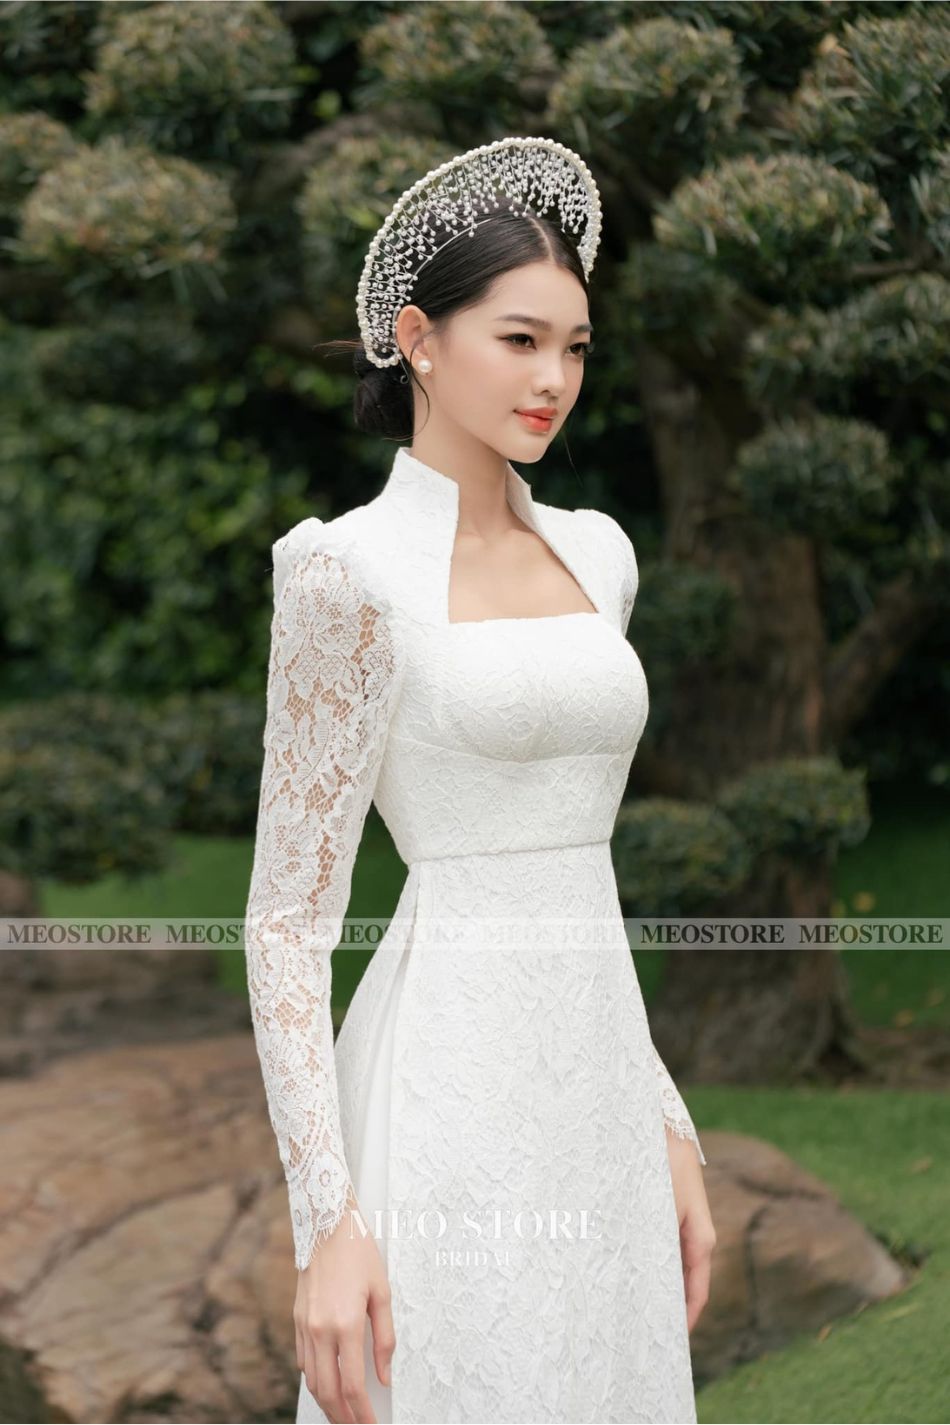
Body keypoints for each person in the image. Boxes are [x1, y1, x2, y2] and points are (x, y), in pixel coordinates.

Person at [244, 136, 716, 1425]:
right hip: (445, 1080)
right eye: (519, 340)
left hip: (599, 1079)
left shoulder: (600, 554)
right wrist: (327, 1224)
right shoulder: (345, 574)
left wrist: (663, 1115)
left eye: (575, 348)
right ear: (417, 340)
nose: (553, 379)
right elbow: (286, 921)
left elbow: (580, 874)